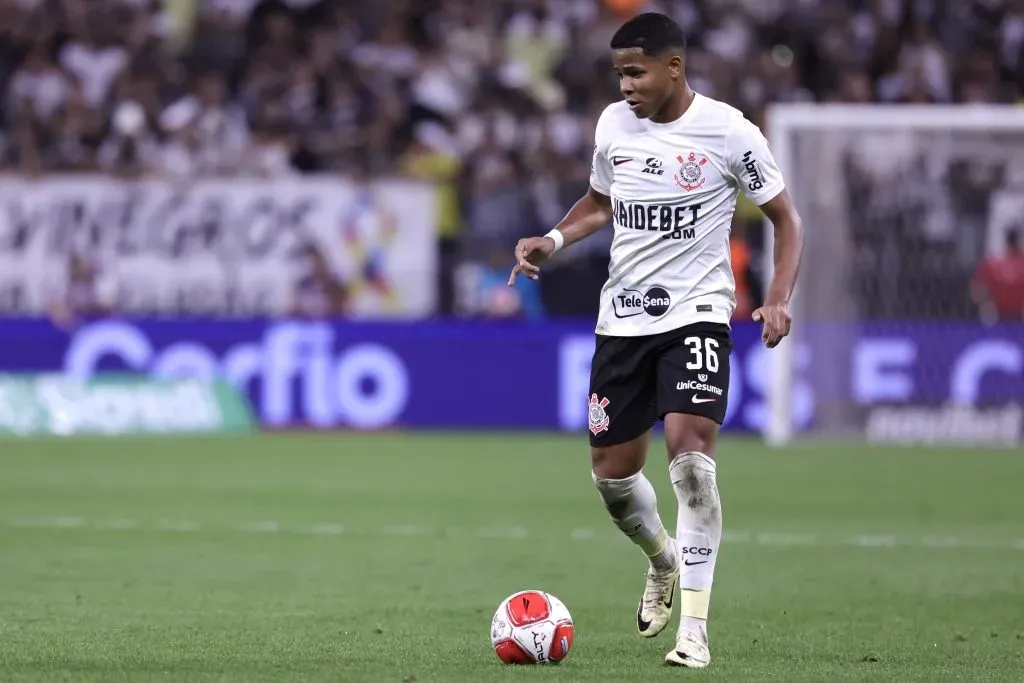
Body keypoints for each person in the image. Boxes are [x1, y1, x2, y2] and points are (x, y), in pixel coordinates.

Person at [507, 13, 803, 669]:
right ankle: (662, 558)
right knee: (614, 479)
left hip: (698, 312)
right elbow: (598, 201)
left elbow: (786, 217)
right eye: (619, 74)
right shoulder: (614, 125)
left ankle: (693, 630)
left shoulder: (730, 133)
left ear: (675, 66)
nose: (626, 86)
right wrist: (551, 241)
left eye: (636, 71)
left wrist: (778, 297)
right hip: (623, 322)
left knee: (691, 460)